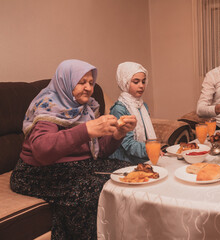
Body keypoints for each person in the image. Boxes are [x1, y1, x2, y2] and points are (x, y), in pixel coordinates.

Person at [10, 59, 137, 239]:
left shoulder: (87, 108)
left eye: (91, 83)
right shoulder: (49, 106)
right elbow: (42, 150)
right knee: (92, 190)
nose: (88, 88)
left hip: (77, 166)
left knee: (127, 172)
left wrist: (118, 134)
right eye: (81, 82)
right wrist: (86, 130)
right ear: (66, 81)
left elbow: (99, 152)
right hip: (37, 171)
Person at [109, 62, 157, 164]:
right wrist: (150, 149)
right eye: (136, 82)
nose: (141, 86)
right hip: (123, 160)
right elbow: (127, 143)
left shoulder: (143, 106)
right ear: (125, 82)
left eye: (143, 82)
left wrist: (154, 147)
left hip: (141, 156)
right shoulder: (119, 109)